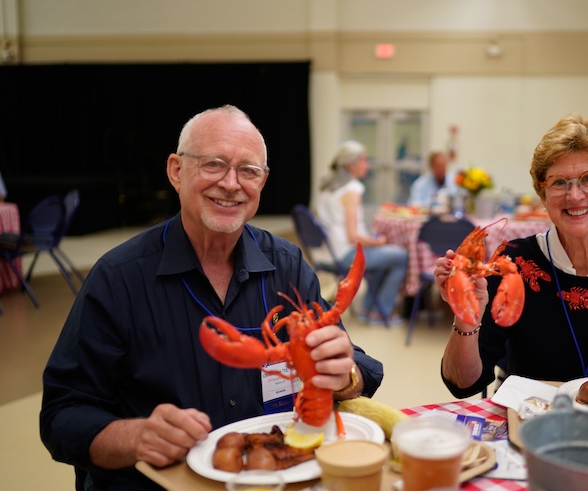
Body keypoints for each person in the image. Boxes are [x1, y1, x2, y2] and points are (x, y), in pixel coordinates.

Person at [40, 105, 384, 490]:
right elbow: (61, 414)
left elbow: (356, 365)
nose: (232, 183)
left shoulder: (286, 265)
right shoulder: (117, 277)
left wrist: (345, 375)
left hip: (273, 476)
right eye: (214, 164)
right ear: (176, 171)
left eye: (249, 171)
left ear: (262, 184)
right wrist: (135, 436)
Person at [434, 113, 588, 396]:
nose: (574, 196)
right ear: (543, 195)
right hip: (531, 424)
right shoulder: (512, 262)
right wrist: (466, 316)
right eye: (559, 182)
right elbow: (463, 385)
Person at [316, 140, 408, 327]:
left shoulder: (328, 187)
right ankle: (381, 311)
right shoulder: (352, 189)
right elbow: (353, 236)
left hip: (328, 252)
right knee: (401, 256)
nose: (368, 165)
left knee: (386, 258)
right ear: (351, 165)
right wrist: (380, 242)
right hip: (346, 254)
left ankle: (368, 309)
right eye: (364, 160)